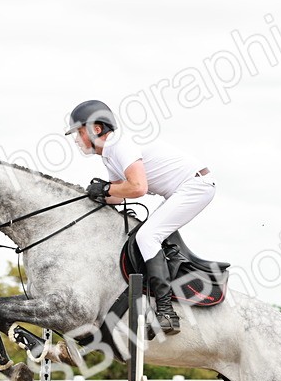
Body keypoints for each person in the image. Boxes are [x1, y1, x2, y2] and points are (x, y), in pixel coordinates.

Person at [65, 99, 216, 335]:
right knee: (146, 236)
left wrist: (106, 190)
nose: (76, 139)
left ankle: (166, 312)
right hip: (184, 188)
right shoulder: (108, 154)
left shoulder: (118, 145)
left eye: (79, 131)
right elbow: (117, 195)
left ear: (96, 129)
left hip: (195, 185)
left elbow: (137, 187)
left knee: (147, 237)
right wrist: (92, 195)